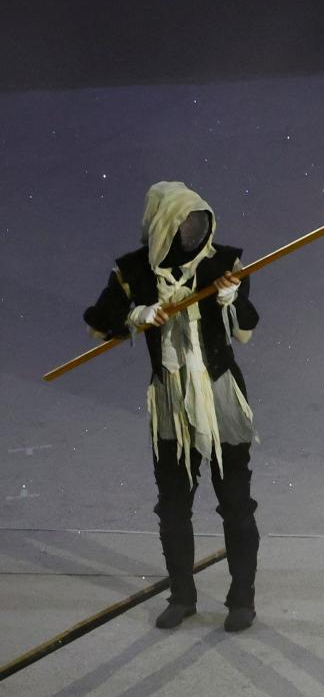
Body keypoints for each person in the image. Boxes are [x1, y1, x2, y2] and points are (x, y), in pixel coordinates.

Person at [84, 181, 260, 633]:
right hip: (169, 400)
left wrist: (230, 299)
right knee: (173, 505)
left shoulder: (224, 263)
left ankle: (242, 600)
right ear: (163, 225)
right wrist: (134, 316)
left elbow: (246, 328)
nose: (191, 232)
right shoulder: (134, 271)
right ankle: (182, 595)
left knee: (236, 503)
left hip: (219, 394)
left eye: (197, 223)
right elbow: (98, 324)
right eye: (182, 225)